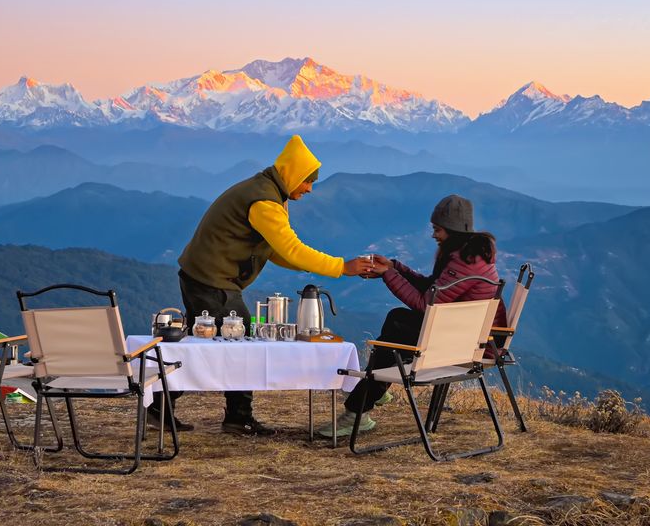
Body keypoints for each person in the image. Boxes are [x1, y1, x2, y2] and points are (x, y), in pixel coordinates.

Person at [149, 134, 374, 436]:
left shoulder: (269, 192)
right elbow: (292, 249)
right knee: (234, 341)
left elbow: (277, 252)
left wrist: (335, 268)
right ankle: (235, 417)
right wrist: (341, 267)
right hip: (210, 279)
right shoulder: (264, 201)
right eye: (307, 182)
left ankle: (165, 408)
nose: (309, 190)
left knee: (208, 344)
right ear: (293, 176)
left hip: (207, 276)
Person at [319, 194, 506, 437]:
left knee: (398, 322)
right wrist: (396, 268)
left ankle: (360, 407)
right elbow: (432, 287)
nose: (434, 235)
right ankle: (375, 386)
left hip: (469, 344)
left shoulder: (465, 261)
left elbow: (424, 302)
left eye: (438, 230)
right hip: (467, 335)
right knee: (397, 319)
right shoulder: (469, 255)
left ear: (453, 230)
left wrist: (388, 275)